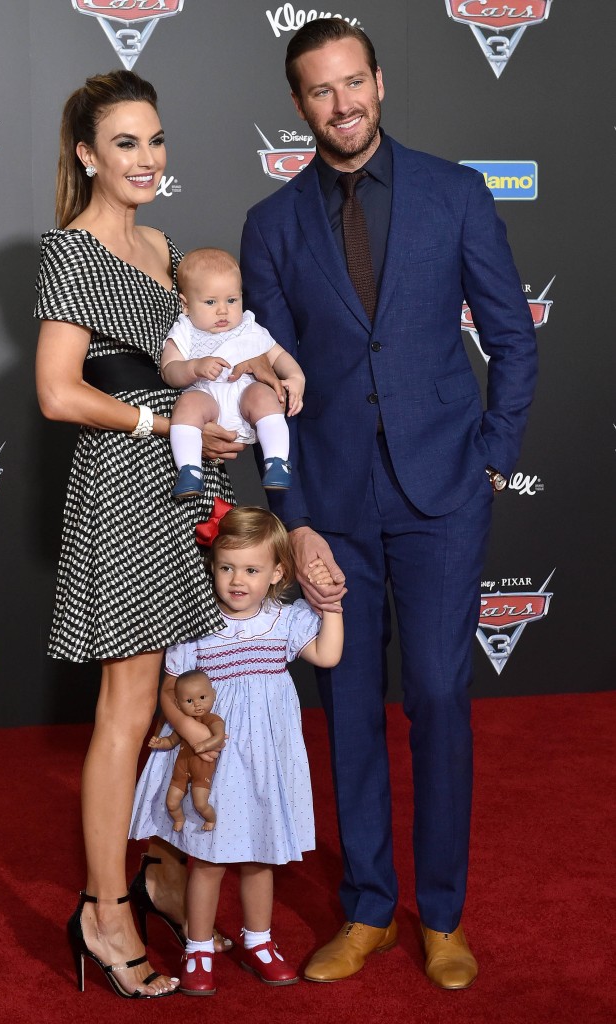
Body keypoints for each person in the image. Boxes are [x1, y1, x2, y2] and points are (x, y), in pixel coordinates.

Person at [240, 19, 538, 990]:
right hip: (331, 507)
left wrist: (493, 451)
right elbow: (275, 391)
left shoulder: (455, 192)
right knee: (350, 706)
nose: (343, 103)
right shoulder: (271, 225)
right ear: (299, 105)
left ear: (379, 81)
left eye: (354, 82)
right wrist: (292, 513)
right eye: (321, 91)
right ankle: (368, 905)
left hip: (442, 491)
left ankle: (441, 913)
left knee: (441, 697)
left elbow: (511, 334)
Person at [34, 69, 273, 999]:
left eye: (155, 140)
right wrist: (149, 422)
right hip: (128, 485)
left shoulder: (167, 245)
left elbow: (195, 355)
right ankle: (104, 910)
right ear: (88, 155)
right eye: (125, 143)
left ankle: (167, 872)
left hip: (190, 482)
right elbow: (58, 393)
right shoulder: (71, 251)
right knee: (129, 710)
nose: (145, 158)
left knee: (188, 690)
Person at [129, 507, 344, 995]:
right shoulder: (198, 624)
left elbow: (328, 655)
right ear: (213, 566)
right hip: (215, 759)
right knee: (207, 857)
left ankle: (259, 941)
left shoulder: (285, 622)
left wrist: (332, 605)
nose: (237, 580)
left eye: (251, 570)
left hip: (266, 757)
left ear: (277, 574)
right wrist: (188, 727)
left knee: (259, 855)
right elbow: (169, 688)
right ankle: (198, 946)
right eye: (227, 567)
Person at [161, 247, 304, 500]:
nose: (223, 311)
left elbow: (278, 355)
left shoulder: (248, 328)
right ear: (185, 304)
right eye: (210, 302)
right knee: (187, 403)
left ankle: (277, 462)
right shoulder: (185, 331)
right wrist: (193, 367)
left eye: (231, 300)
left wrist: (296, 377)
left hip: (244, 397)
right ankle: (189, 470)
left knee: (263, 394)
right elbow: (169, 371)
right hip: (207, 398)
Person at [148, 669, 226, 831]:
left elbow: (219, 736)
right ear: (178, 704)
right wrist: (159, 742)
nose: (197, 704)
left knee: (200, 803)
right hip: (181, 770)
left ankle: (211, 819)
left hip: (202, 771)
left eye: (202, 698)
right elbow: (171, 741)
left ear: (213, 694)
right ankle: (179, 818)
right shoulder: (185, 724)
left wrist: (205, 745)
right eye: (189, 701)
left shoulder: (212, 718)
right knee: (171, 802)